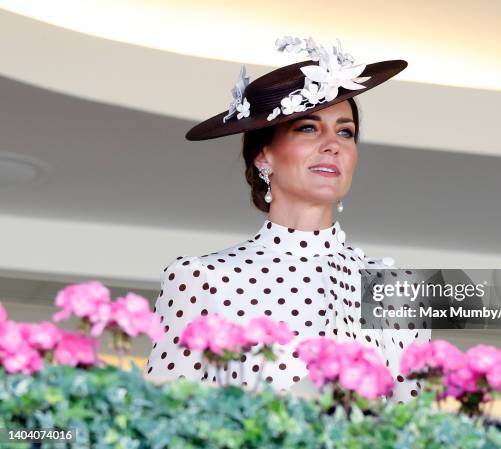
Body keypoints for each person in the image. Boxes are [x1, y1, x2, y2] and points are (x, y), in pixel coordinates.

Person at [144, 36, 432, 403]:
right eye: (308, 128)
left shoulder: (397, 290)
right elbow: (168, 414)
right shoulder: (203, 278)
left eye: (346, 131)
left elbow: (415, 424)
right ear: (264, 157)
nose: (333, 144)